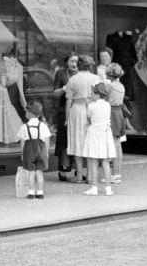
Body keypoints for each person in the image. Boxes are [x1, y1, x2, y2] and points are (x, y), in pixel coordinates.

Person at [59, 54, 99, 184]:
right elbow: (100, 96)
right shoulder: (96, 78)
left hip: (76, 110)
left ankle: (80, 176)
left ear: (79, 65)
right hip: (91, 109)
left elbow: (68, 101)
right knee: (90, 141)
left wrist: (66, 117)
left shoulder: (73, 79)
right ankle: (91, 176)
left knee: (77, 141)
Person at [81, 83, 116, 197]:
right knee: (105, 161)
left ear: (97, 94)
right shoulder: (107, 105)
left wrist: (87, 105)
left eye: (92, 93)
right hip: (105, 132)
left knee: (94, 161)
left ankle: (94, 187)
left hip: (95, 132)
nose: (91, 95)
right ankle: (108, 188)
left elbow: (89, 118)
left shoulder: (91, 105)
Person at [16, 100, 51, 200]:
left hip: (29, 151)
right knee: (39, 173)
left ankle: (31, 192)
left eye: (26, 112)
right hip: (41, 150)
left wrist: (23, 153)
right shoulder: (43, 126)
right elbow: (47, 140)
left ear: (29, 113)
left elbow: (22, 142)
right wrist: (47, 152)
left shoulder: (24, 127)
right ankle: (40, 192)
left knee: (31, 173)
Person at [53, 55, 78, 180]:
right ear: (66, 62)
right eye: (72, 61)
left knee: (77, 139)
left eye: (76, 61)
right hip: (64, 110)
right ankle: (63, 170)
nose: (74, 63)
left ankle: (78, 170)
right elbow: (55, 94)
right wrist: (64, 88)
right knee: (63, 140)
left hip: (77, 110)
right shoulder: (61, 74)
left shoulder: (80, 74)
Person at [104, 63, 128, 184]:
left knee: (112, 144)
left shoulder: (109, 86)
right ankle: (117, 173)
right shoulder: (121, 86)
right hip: (119, 113)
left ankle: (113, 174)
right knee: (118, 144)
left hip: (111, 112)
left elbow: (104, 99)